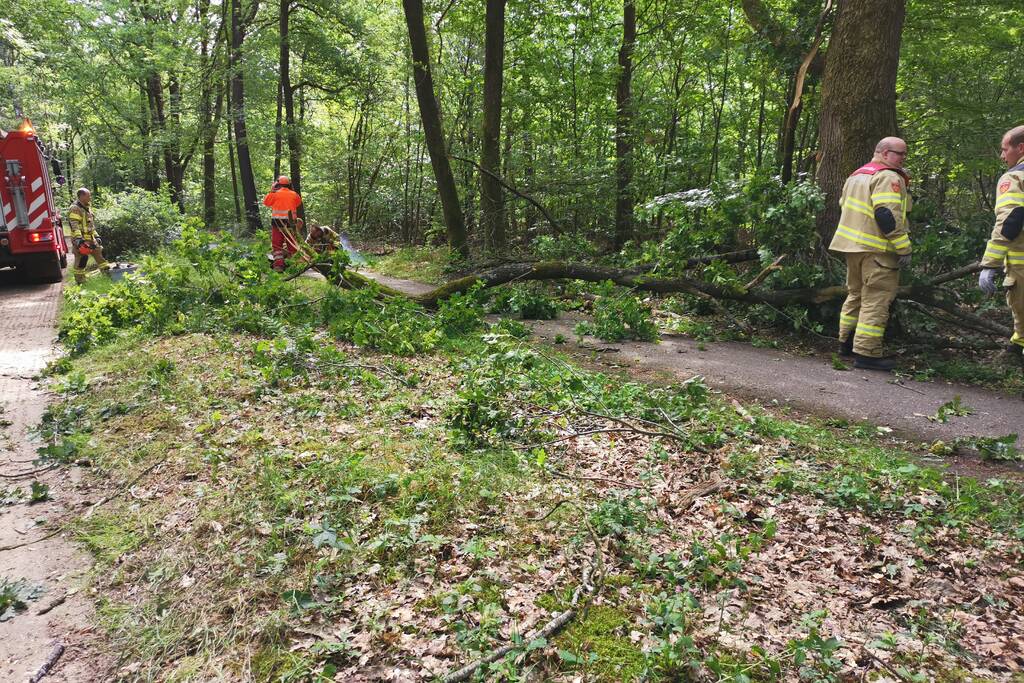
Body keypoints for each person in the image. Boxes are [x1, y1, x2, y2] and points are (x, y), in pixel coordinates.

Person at [828, 137, 913, 371]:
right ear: (884, 153)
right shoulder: (888, 176)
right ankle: (867, 353)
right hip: (878, 250)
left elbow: (844, 205)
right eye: (900, 153)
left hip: (853, 248)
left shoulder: (857, 175)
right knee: (876, 299)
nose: (904, 158)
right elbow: (886, 214)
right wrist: (903, 246)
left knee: (855, 295)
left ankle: (845, 343)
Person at [978, 125, 1024, 361]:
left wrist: (990, 264)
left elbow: (1011, 219)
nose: (1002, 155)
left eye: (1005, 149)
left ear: (1021, 148)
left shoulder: (1015, 177)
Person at [66, 188, 112, 284]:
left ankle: (108, 276)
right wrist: (78, 239)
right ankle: (80, 282)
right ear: (82, 196)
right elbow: (74, 225)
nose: (90, 197)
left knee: (101, 255)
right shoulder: (75, 208)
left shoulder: (87, 207)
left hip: (91, 239)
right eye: (88, 195)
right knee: (82, 259)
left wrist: (97, 236)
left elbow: (90, 226)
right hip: (81, 240)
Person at [262, 176, 303, 272]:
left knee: (277, 245)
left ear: (277, 184)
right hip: (291, 223)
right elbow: (298, 203)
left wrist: (272, 190)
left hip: (277, 222)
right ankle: (294, 265)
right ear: (289, 184)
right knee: (292, 244)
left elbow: (266, 203)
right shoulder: (294, 194)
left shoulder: (274, 194)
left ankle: (279, 266)